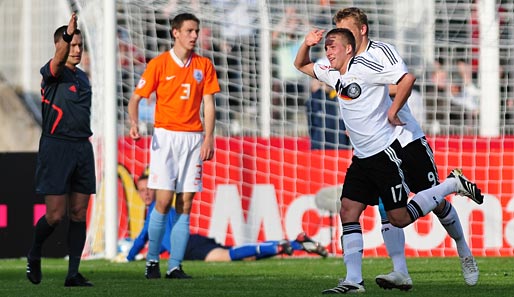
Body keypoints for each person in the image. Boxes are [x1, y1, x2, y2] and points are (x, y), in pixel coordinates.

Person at [294, 28, 483, 294]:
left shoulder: (376, 57)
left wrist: (391, 111)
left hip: (400, 144)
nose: (327, 50)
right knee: (350, 208)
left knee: (418, 209)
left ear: (357, 33)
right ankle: (362, 278)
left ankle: (457, 213)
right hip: (364, 154)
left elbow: (404, 80)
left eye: (332, 44)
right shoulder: (334, 70)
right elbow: (303, 64)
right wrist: (307, 44)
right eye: (326, 45)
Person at [127, 12, 220, 280]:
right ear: (175, 32)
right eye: (189, 31)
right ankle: (153, 260)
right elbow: (135, 99)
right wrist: (134, 122)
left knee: (186, 202)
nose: (194, 36)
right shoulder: (159, 64)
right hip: (165, 137)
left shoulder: (204, 65)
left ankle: (175, 266)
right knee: (164, 201)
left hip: (193, 138)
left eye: (197, 31)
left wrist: (209, 137)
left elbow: (209, 104)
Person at [26, 13, 94, 287]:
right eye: (72, 45)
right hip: (56, 147)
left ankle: (73, 273)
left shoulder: (84, 78)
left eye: (80, 46)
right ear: (61, 45)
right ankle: (34, 252)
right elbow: (58, 57)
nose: (77, 50)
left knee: (79, 212)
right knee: (55, 215)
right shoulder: (52, 73)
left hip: (82, 148)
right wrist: (67, 35)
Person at [125, 171, 328, 262]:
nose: (146, 193)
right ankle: (298, 243)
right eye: (142, 190)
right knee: (243, 256)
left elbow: (144, 236)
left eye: (148, 189)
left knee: (227, 257)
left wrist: (129, 257)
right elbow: (162, 241)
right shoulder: (159, 210)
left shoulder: (156, 209)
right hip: (190, 243)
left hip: (189, 246)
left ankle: (277, 246)